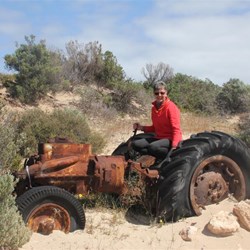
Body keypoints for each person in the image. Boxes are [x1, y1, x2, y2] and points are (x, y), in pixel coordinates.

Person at [131, 81, 182, 160]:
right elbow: (155, 128)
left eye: (162, 93)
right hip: (158, 138)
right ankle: (153, 159)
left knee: (153, 147)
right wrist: (141, 128)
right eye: (156, 93)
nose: (159, 95)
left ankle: (168, 158)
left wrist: (174, 146)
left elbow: (176, 129)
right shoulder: (154, 109)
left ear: (166, 93)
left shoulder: (171, 107)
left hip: (169, 139)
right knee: (135, 144)